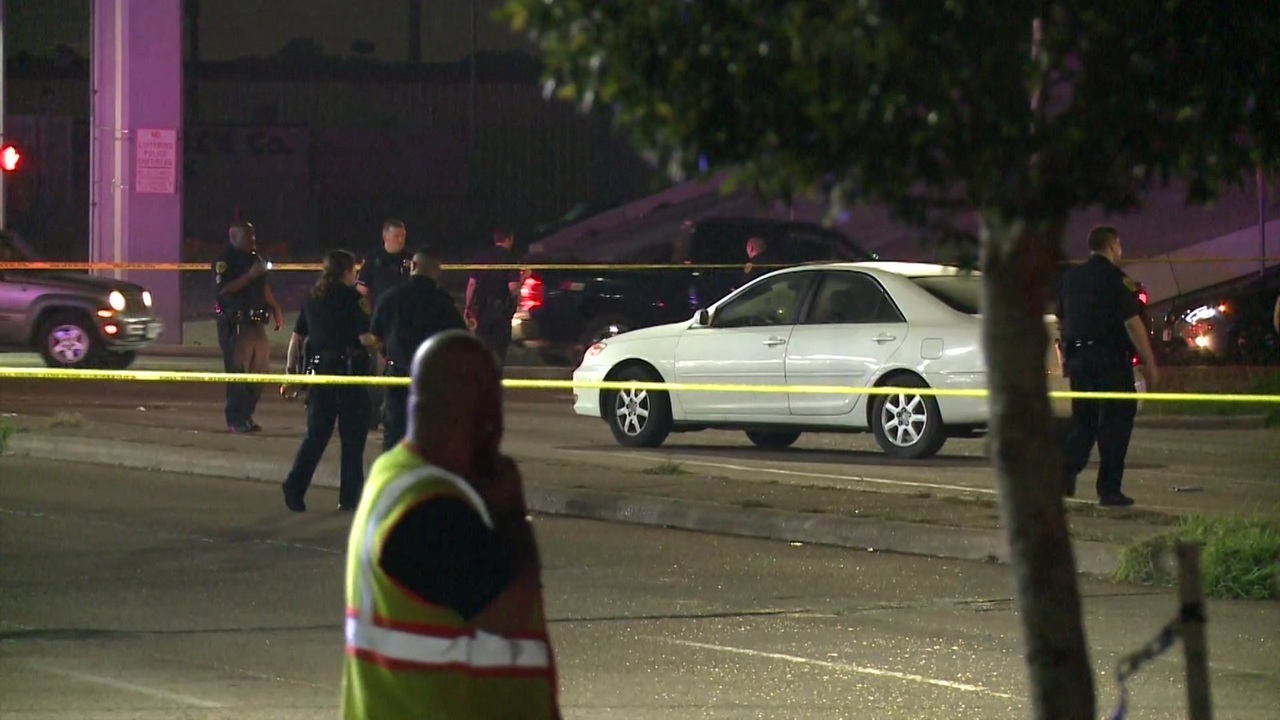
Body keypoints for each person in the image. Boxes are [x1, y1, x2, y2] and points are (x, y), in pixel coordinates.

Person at [341, 330, 560, 719]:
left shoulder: (396, 477)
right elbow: (507, 613)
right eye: (494, 401)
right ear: (475, 409)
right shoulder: (432, 511)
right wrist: (512, 514)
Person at [1058, 226, 1159, 507]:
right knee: (1116, 421)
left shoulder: (1070, 278)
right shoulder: (1119, 280)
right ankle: (1109, 490)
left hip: (1079, 360)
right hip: (1110, 360)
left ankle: (1063, 473)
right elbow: (1132, 322)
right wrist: (1150, 362)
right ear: (1113, 246)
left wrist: (1067, 360)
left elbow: (1062, 321)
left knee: (1084, 421)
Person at [281, 250, 376, 512]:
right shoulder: (353, 299)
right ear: (347, 271)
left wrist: (291, 374)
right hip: (348, 374)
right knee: (353, 440)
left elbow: (297, 338)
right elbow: (365, 337)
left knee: (316, 436)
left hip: (320, 374)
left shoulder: (313, 298)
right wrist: (381, 342)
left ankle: (295, 486)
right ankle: (349, 498)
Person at [369, 246, 467, 451]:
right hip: (431, 377)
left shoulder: (390, 297)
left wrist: (388, 355)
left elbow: (375, 336)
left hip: (398, 374)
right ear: (437, 270)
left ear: (412, 266)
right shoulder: (443, 302)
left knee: (394, 434)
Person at [213, 221, 283, 433]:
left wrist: (275, 308)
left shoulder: (255, 259)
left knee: (259, 372)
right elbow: (223, 291)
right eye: (248, 237)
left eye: (254, 237)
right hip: (236, 324)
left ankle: (247, 415)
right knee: (238, 374)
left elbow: (262, 287)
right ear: (234, 238)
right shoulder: (225, 261)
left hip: (256, 323)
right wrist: (249, 276)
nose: (253, 241)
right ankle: (236, 419)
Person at [356, 220, 413, 431]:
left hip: (406, 326)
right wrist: (367, 318)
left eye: (403, 235)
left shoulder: (410, 260)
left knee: (404, 372)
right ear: (385, 236)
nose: (400, 240)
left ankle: (399, 417)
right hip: (381, 325)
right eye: (396, 235)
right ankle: (372, 416)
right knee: (379, 372)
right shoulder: (374, 260)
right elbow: (361, 293)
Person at [464, 229, 520, 368]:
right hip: (500, 313)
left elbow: (472, 284)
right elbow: (513, 289)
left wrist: (468, 307)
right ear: (509, 239)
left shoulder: (480, 257)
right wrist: (523, 279)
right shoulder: (510, 259)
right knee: (498, 355)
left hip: (481, 312)